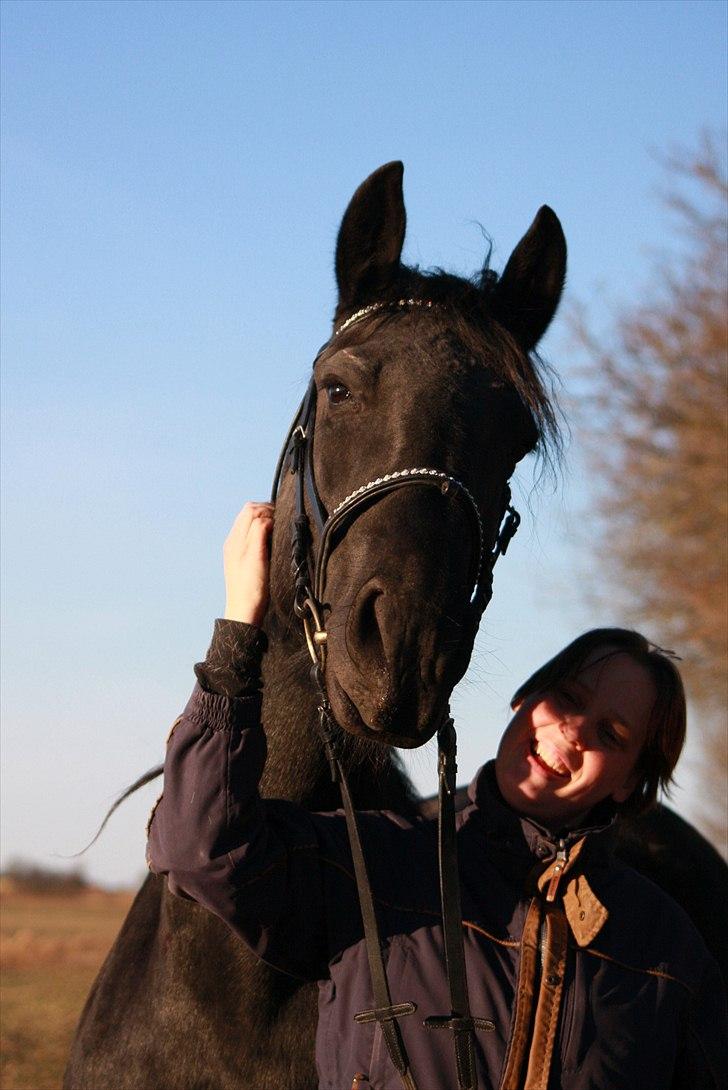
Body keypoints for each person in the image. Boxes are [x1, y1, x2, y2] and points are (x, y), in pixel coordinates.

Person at [147, 503, 727, 1090]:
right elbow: (201, 849)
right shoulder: (381, 866)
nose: (573, 731)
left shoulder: (667, 951)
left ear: (630, 781)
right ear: (524, 700)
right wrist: (237, 641)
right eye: (569, 698)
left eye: (611, 734)